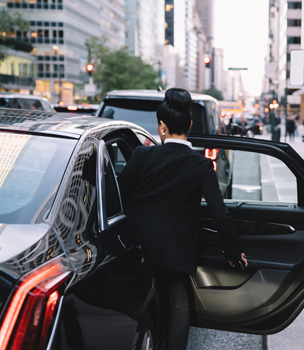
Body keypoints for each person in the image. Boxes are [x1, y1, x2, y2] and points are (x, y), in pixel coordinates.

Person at [117, 88, 248, 349]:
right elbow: (219, 212)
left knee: (143, 303)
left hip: (136, 246)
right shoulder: (200, 165)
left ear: (161, 126)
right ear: (189, 124)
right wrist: (233, 251)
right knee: (179, 306)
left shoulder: (142, 155)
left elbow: (118, 193)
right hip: (174, 250)